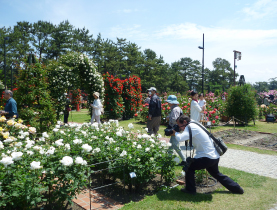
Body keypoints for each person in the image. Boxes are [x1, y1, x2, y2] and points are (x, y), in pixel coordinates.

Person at [172, 115, 244, 195]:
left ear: (185, 122)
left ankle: (190, 190)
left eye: (180, 126)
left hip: (206, 157)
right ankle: (236, 188)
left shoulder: (190, 126)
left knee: (189, 167)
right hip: (214, 156)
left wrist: (175, 133)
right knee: (216, 174)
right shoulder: (195, 123)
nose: (180, 128)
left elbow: (180, 138)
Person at [165, 95, 186, 166]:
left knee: (176, 146)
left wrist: (168, 118)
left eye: (168, 102)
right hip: (176, 129)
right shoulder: (176, 108)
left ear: (171, 102)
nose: (168, 103)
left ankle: (184, 160)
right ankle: (168, 159)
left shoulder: (175, 109)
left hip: (175, 130)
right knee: (171, 145)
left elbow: (175, 120)